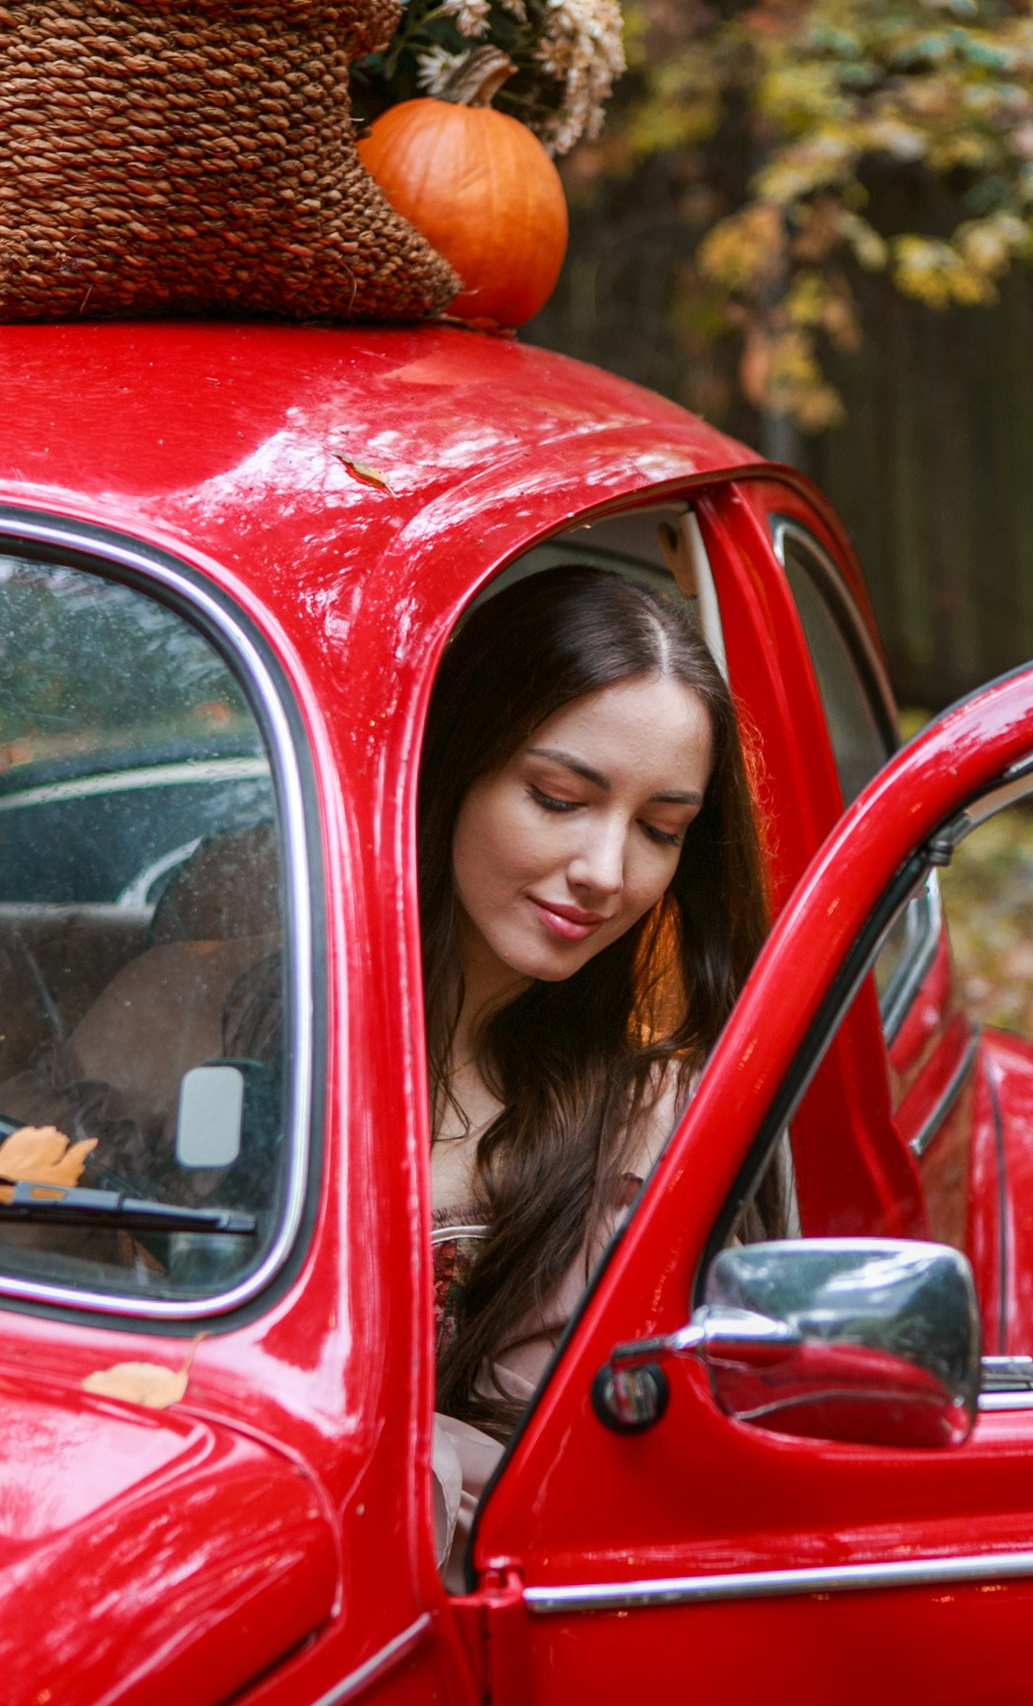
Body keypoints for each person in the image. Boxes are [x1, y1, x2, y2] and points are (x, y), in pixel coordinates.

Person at [419, 568, 769, 1578]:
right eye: (558, 798)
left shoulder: (648, 1126)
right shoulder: (219, 1012)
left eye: (660, 829)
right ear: (450, 763)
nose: (607, 871)